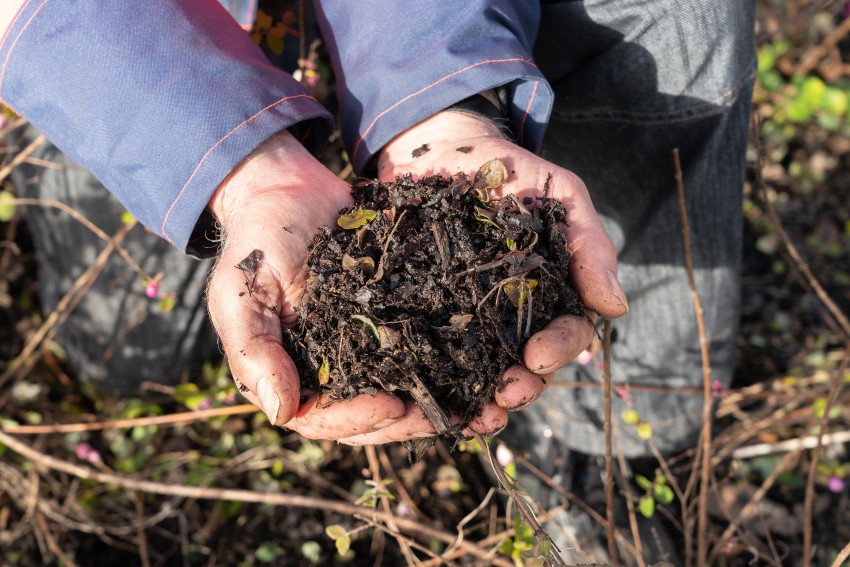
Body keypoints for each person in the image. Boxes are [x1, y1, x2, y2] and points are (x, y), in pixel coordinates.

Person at [1, 0, 755, 556]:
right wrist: (232, 163)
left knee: (687, 12)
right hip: (129, 50)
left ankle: (609, 456)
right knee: (130, 359)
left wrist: (438, 96)